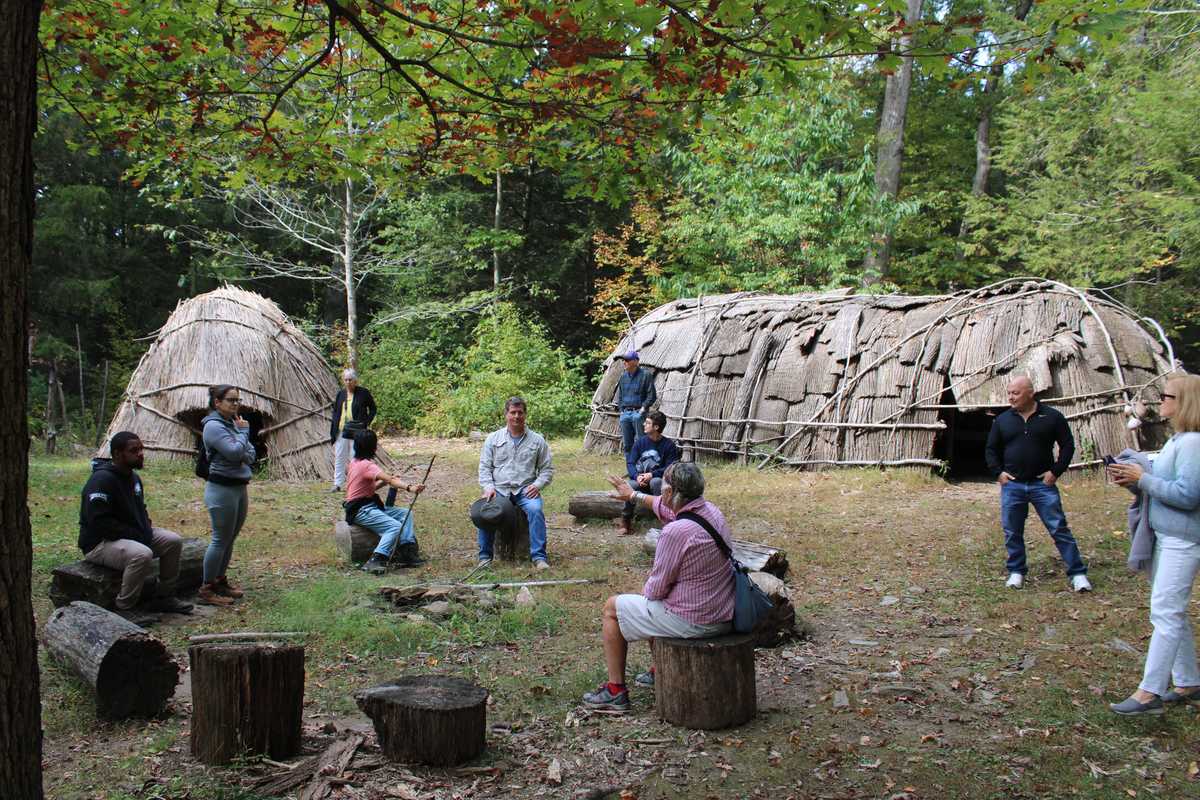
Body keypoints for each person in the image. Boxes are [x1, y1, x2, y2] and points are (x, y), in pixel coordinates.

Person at [583, 462, 734, 711]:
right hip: (723, 611)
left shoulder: (676, 532)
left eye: (663, 484)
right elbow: (661, 506)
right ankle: (660, 669)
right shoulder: (710, 512)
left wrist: (647, 594)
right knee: (653, 605)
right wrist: (632, 495)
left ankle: (615, 691)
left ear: (670, 492)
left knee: (615, 608)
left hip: (696, 620)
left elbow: (656, 590)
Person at [1108, 374, 1200, 715]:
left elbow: (1189, 495)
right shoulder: (1179, 440)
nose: (1161, 401)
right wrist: (1134, 480)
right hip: (1167, 534)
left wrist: (1142, 478)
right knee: (1172, 611)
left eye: (1167, 396)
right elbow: (1164, 484)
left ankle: (1150, 692)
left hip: (1183, 539)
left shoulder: (1192, 443)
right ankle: (1188, 680)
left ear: (1185, 402)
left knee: (1166, 612)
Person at [985, 375, 1092, 592]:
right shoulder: (1003, 420)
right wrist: (999, 473)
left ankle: (1077, 573)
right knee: (1012, 530)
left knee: (1058, 528)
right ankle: (1016, 571)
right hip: (1013, 486)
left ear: (1030, 393)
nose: (1010, 397)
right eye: (1009, 393)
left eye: (1015, 393)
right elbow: (991, 449)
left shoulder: (1051, 417)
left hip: (1042, 485)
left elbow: (1068, 446)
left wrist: (1055, 472)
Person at [78, 432, 194, 617]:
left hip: (132, 535)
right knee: (141, 554)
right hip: (100, 543)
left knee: (173, 541)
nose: (140, 453)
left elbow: (141, 510)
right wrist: (137, 535)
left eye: (141, 449)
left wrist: (145, 529)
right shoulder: (101, 481)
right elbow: (99, 523)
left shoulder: (133, 478)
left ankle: (164, 596)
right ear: (117, 454)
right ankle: (125, 608)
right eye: (134, 450)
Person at [476, 396, 554, 569]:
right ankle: (485, 557)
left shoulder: (537, 440)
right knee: (485, 511)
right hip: (499, 489)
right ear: (506, 414)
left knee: (535, 510)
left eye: (520, 413)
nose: (516, 416)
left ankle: (539, 557)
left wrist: (538, 485)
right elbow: (484, 467)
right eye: (513, 412)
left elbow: (547, 469)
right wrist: (488, 487)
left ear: (525, 415)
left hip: (525, 490)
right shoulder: (493, 439)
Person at [199, 384, 255, 606]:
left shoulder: (232, 423)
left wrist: (241, 442)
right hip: (221, 489)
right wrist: (243, 434)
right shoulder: (213, 426)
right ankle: (206, 588)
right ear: (217, 402)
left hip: (239, 486)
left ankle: (220, 581)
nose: (235, 404)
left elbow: (250, 454)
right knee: (220, 538)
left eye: (237, 400)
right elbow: (233, 453)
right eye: (231, 400)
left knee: (230, 537)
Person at [346, 430, 427, 575]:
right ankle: (376, 560)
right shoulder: (367, 465)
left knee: (406, 514)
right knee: (394, 528)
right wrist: (411, 488)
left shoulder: (355, 462)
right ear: (373, 447)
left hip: (366, 506)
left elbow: (367, 489)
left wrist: (385, 482)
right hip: (361, 510)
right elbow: (390, 480)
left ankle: (406, 551)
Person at [617, 410, 681, 536]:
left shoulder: (669, 445)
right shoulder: (640, 442)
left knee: (656, 482)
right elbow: (630, 462)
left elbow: (670, 467)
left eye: (647, 423)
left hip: (658, 483)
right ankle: (625, 520)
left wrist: (652, 475)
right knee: (630, 486)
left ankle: (665, 521)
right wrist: (636, 476)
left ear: (656, 427)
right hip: (639, 481)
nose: (643, 425)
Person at [330, 368, 377, 492]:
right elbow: (336, 412)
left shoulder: (363, 393)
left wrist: (366, 422)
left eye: (350, 380)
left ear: (355, 381)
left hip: (357, 431)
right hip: (342, 430)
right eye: (345, 380)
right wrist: (334, 428)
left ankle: (354, 483)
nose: (348, 382)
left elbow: (373, 408)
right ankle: (337, 484)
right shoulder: (341, 394)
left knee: (354, 457)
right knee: (340, 456)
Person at [615, 351, 656, 478]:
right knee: (627, 444)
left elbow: (651, 395)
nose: (625, 362)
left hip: (639, 413)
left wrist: (643, 409)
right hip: (626, 413)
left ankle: (643, 469)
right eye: (624, 360)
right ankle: (631, 469)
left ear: (636, 361)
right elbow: (620, 395)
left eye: (627, 360)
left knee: (641, 441)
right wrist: (622, 410)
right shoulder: (623, 377)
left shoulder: (645, 375)